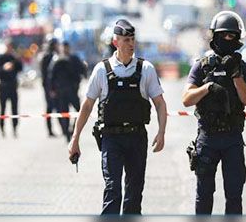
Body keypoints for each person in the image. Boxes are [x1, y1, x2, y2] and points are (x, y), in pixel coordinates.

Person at [68, 19, 168, 215]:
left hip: (136, 137)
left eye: (132, 39)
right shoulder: (101, 70)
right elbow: (87, 105)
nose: (131, 44)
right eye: (126, 40)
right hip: (111, 138)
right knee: (113, 189)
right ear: (116, 42)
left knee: (134, 193)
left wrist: (161, 132)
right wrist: (75, 138)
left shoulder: (145, 69)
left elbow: (160, 103)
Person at [181, 11, 246, 215]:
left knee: (234, 195)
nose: (228, 39)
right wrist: (207, 88)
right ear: (215, 36)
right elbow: (186, 99)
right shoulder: (202, 66)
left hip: (232, 137)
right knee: (203, 194)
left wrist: (236, 77)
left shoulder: (243, 68)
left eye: (232, 36)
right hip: (207, 137)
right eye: (224, 35)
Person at [48, 41, 85, 142]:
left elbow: (81, 70)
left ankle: (73, 130)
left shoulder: (74, 59)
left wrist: (77, 82)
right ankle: (67, 133)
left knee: (79, 111)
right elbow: (51, 76)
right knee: (64, 113)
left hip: (72, 90)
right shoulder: (56, 60)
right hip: (61, 92)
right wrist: (52, 89)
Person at [0, 39, 23, 137]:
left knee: (14, 109)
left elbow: (20, 68)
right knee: (3, 109)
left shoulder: (13, 58)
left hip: (13, 86)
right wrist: (4, 68)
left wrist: (16, 61)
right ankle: (2, 128)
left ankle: (14, 128)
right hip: (3, 86)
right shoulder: (1, 58)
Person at [40, 37, 59, 137]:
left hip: (55, 86)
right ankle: (50, 130)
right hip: (49, 86)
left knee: (59, 108)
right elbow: (45, 74)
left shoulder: (55, 55)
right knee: (50, 108)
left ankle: (63, 129)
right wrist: (49, 88)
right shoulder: (47, 56)